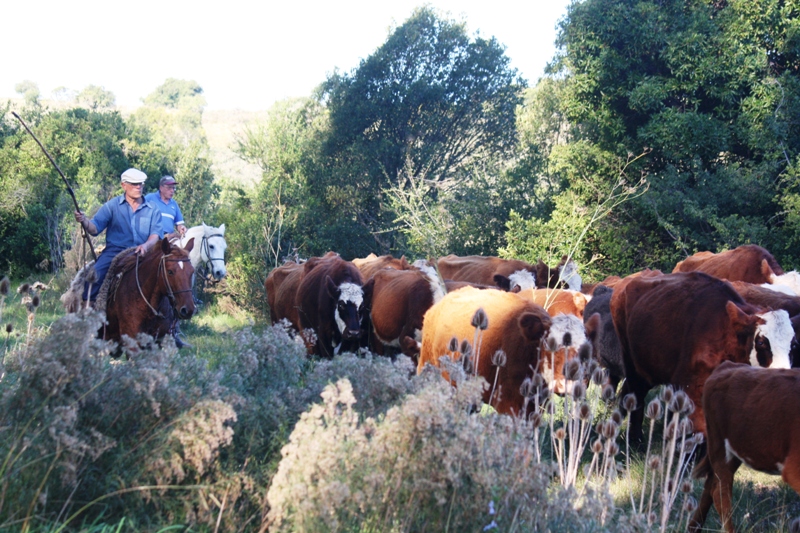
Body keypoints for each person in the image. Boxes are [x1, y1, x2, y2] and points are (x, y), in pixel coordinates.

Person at [74, 168, 163, 303]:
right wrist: (84, 221)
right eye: (134, 184)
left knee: (170, 275)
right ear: (123, 185)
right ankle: (89, 311)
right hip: (115, 251)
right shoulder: (112, 206)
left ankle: (172, 317)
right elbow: (95, 228)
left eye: (141, 184)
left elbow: (155, 235)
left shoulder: (153, 209)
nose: (138, 187)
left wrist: (146, 245)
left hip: (144, 252)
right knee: (94, 276)